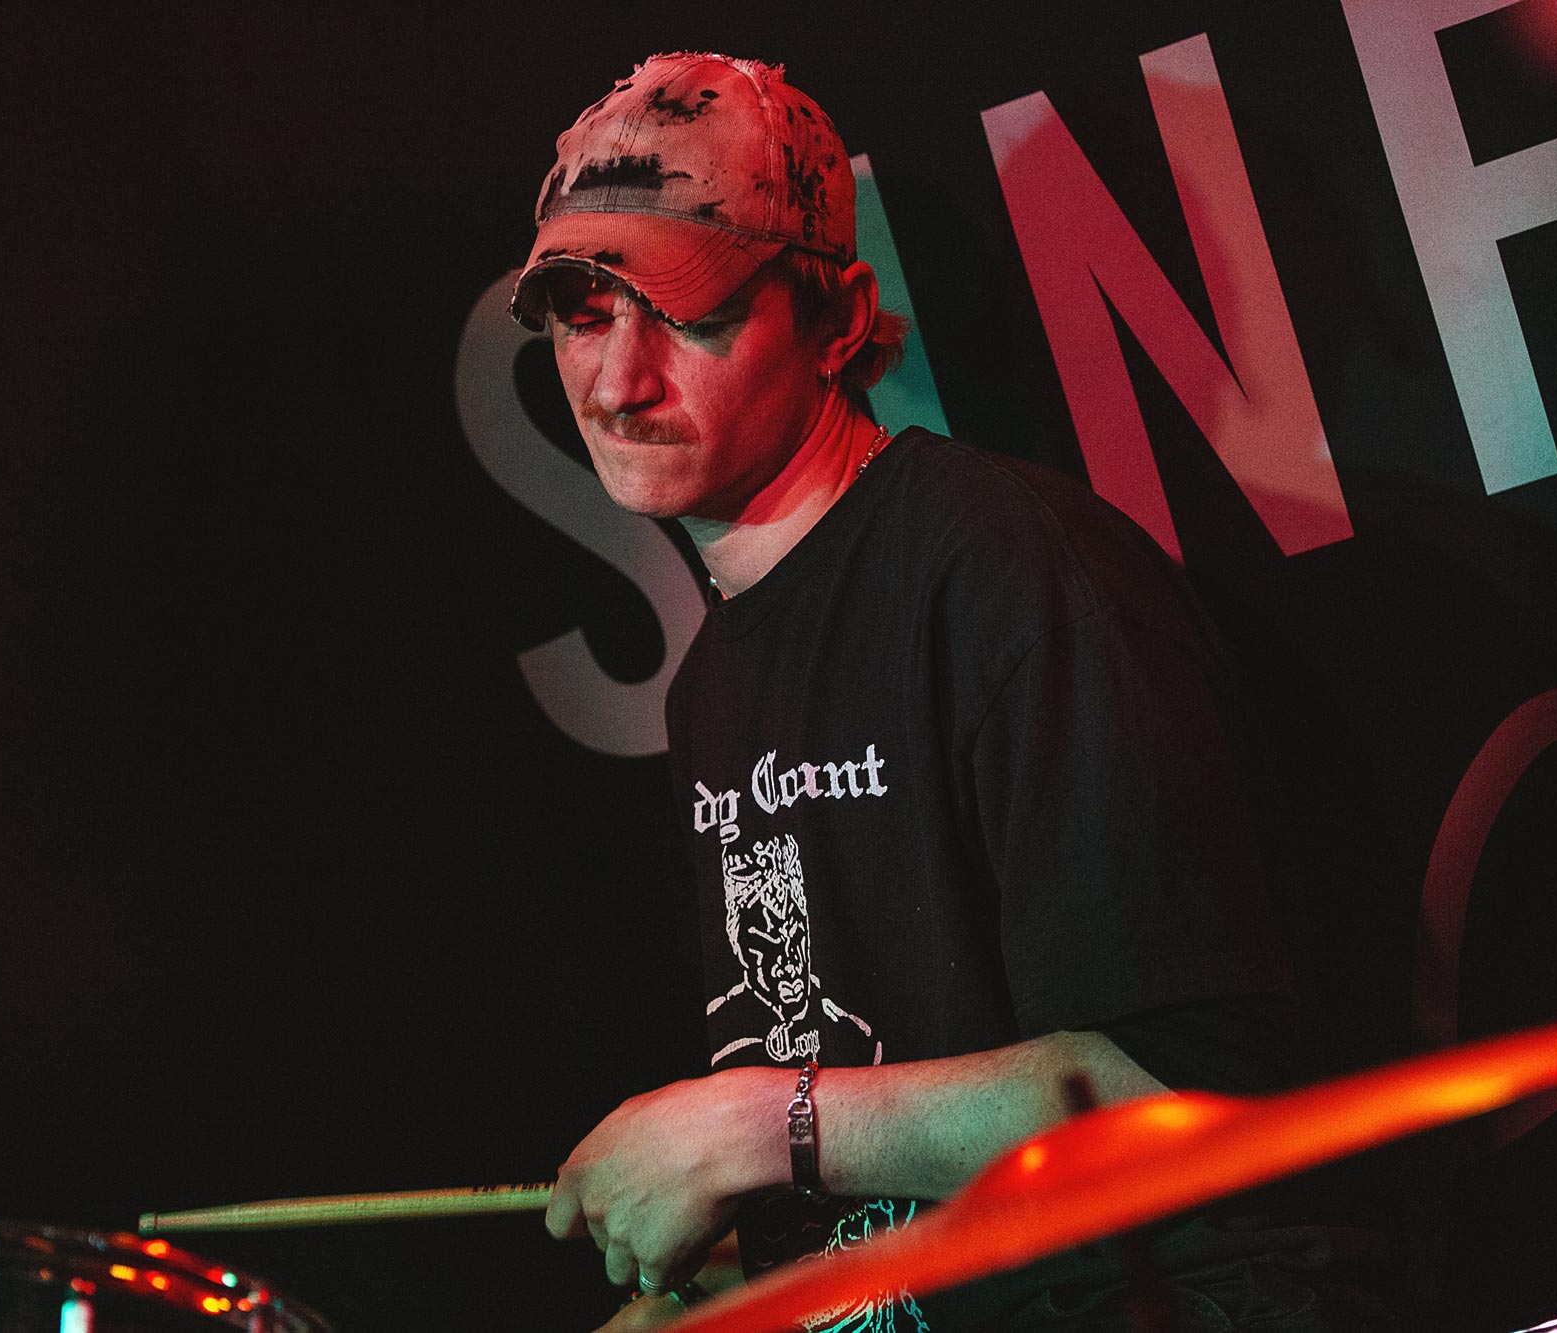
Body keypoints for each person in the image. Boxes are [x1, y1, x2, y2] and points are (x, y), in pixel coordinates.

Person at [510, 51, 1397, 1333]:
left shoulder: (1010, 570)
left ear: (835, 318)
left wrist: (759, 1124)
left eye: (689, 314)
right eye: (583, 313)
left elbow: (1189, 1093)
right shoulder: (714, 683)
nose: (617, 381)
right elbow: (878, 1174)